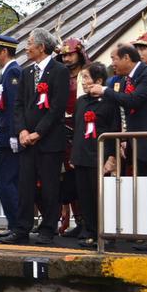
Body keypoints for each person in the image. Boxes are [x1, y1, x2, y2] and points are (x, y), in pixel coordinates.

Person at [86, 43, 147, 253]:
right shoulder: (122, 80)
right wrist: (123, 138)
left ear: (127, 59)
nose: (112, 63)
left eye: (114, 59)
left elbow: (133, 101)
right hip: (141, 143)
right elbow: (123, 109)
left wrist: (104, 90)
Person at [1, 28, 70, 245]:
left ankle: (48, 229)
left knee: (50, 186)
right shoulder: (26, 72)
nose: (26, 47)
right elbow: (19, 105)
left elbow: (57, 107)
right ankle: (22, 229)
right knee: (25, 186)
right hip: (26, 140)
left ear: (41, 47)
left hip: (48, 140)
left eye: (30, 43)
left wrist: (38, 133)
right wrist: (22, 131)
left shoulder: (59, 70)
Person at [70, 62, 119, 248]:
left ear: (99, 80)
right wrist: (74, 155)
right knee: (84, 196)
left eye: (87, 78)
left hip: (100, 155)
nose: (83, 82)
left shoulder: (110, 102)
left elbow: (115, 129)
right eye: (82, 78)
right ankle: (89, 230)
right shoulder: (81, 101)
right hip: (82, 154)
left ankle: (105, 232)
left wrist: (112, 157)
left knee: (100, 196)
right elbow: (77, 129)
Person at [0, 34, 21, 238]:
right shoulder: (6, 72)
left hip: (9, 137)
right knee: (4, 180)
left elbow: (15, 105)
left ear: (4, 51)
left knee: (5, 180)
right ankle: (14, 224)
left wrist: (14, 134)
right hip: (4, 133)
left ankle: (16, 225)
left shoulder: (13, 72)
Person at [56, 37, 89, 236]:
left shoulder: (88, 75)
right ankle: (78, 222)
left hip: (86, 129)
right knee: (68, 179)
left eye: (70, 54)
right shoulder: (60, 76)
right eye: (64, 55)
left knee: (85, 179)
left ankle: (90, 223)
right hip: (63, 131)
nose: (67, 58)